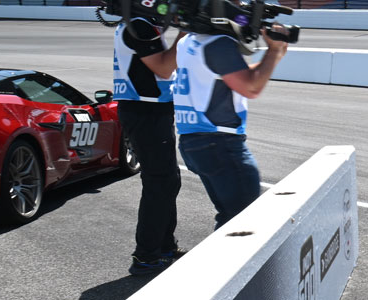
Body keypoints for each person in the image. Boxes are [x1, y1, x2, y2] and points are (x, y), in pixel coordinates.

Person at [170, 21, 290, 231]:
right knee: (241, 225)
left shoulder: (187, 40)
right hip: (219, 143)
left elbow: (230, 75)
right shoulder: (219, 43)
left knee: (230, 219)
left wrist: (275, 55)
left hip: (194, 141)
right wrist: (273, 51)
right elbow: (251, 88)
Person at [109, 2, 188, 277]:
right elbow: (165, 68)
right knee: (159, 183)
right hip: (144, 110)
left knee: (168, 180)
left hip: (150, 109)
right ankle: (146, 256)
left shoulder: (141, 25)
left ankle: (164, 246)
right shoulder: (138, 26)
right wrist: (184, 33)